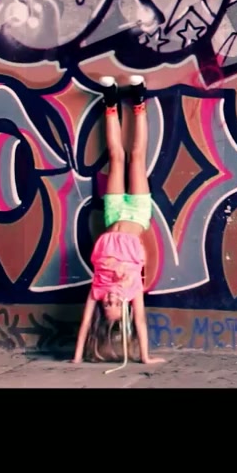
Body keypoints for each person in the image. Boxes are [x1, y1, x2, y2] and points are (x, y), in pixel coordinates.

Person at [72, 75, 164, 365]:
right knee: (136, 156)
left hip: (113, 214)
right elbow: (141, 324)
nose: (111, 298)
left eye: (107, 304)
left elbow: (85, 324)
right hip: (137, 212)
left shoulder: (98, 288)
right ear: (124, 306)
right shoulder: (133, 290)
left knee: (115, 156)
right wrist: (145, 358)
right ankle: (139, 101)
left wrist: (76, 358)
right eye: (116, 303)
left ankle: (110, 102)